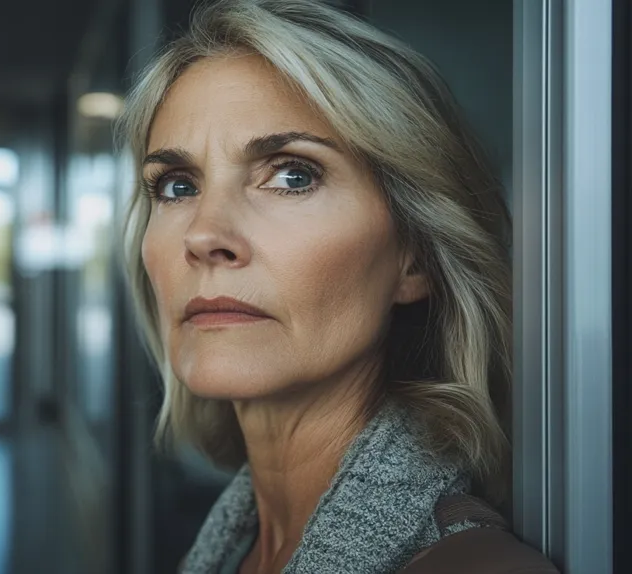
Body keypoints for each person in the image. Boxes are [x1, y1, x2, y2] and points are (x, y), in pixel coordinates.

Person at [117, 1, 559, 572]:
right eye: (177, 186)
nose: (204, 234)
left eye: (292, 175)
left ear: (413, 259)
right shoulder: (233, 547)